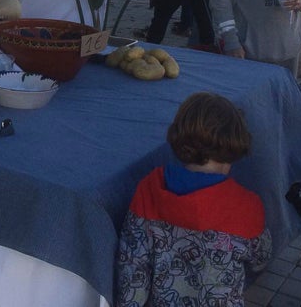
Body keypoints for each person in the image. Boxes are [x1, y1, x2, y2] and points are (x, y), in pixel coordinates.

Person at [115, 92, 272, 307]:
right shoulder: (247, 206)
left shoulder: (150, 189)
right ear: (235, 144)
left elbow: (133, 267)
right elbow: (260, 259)